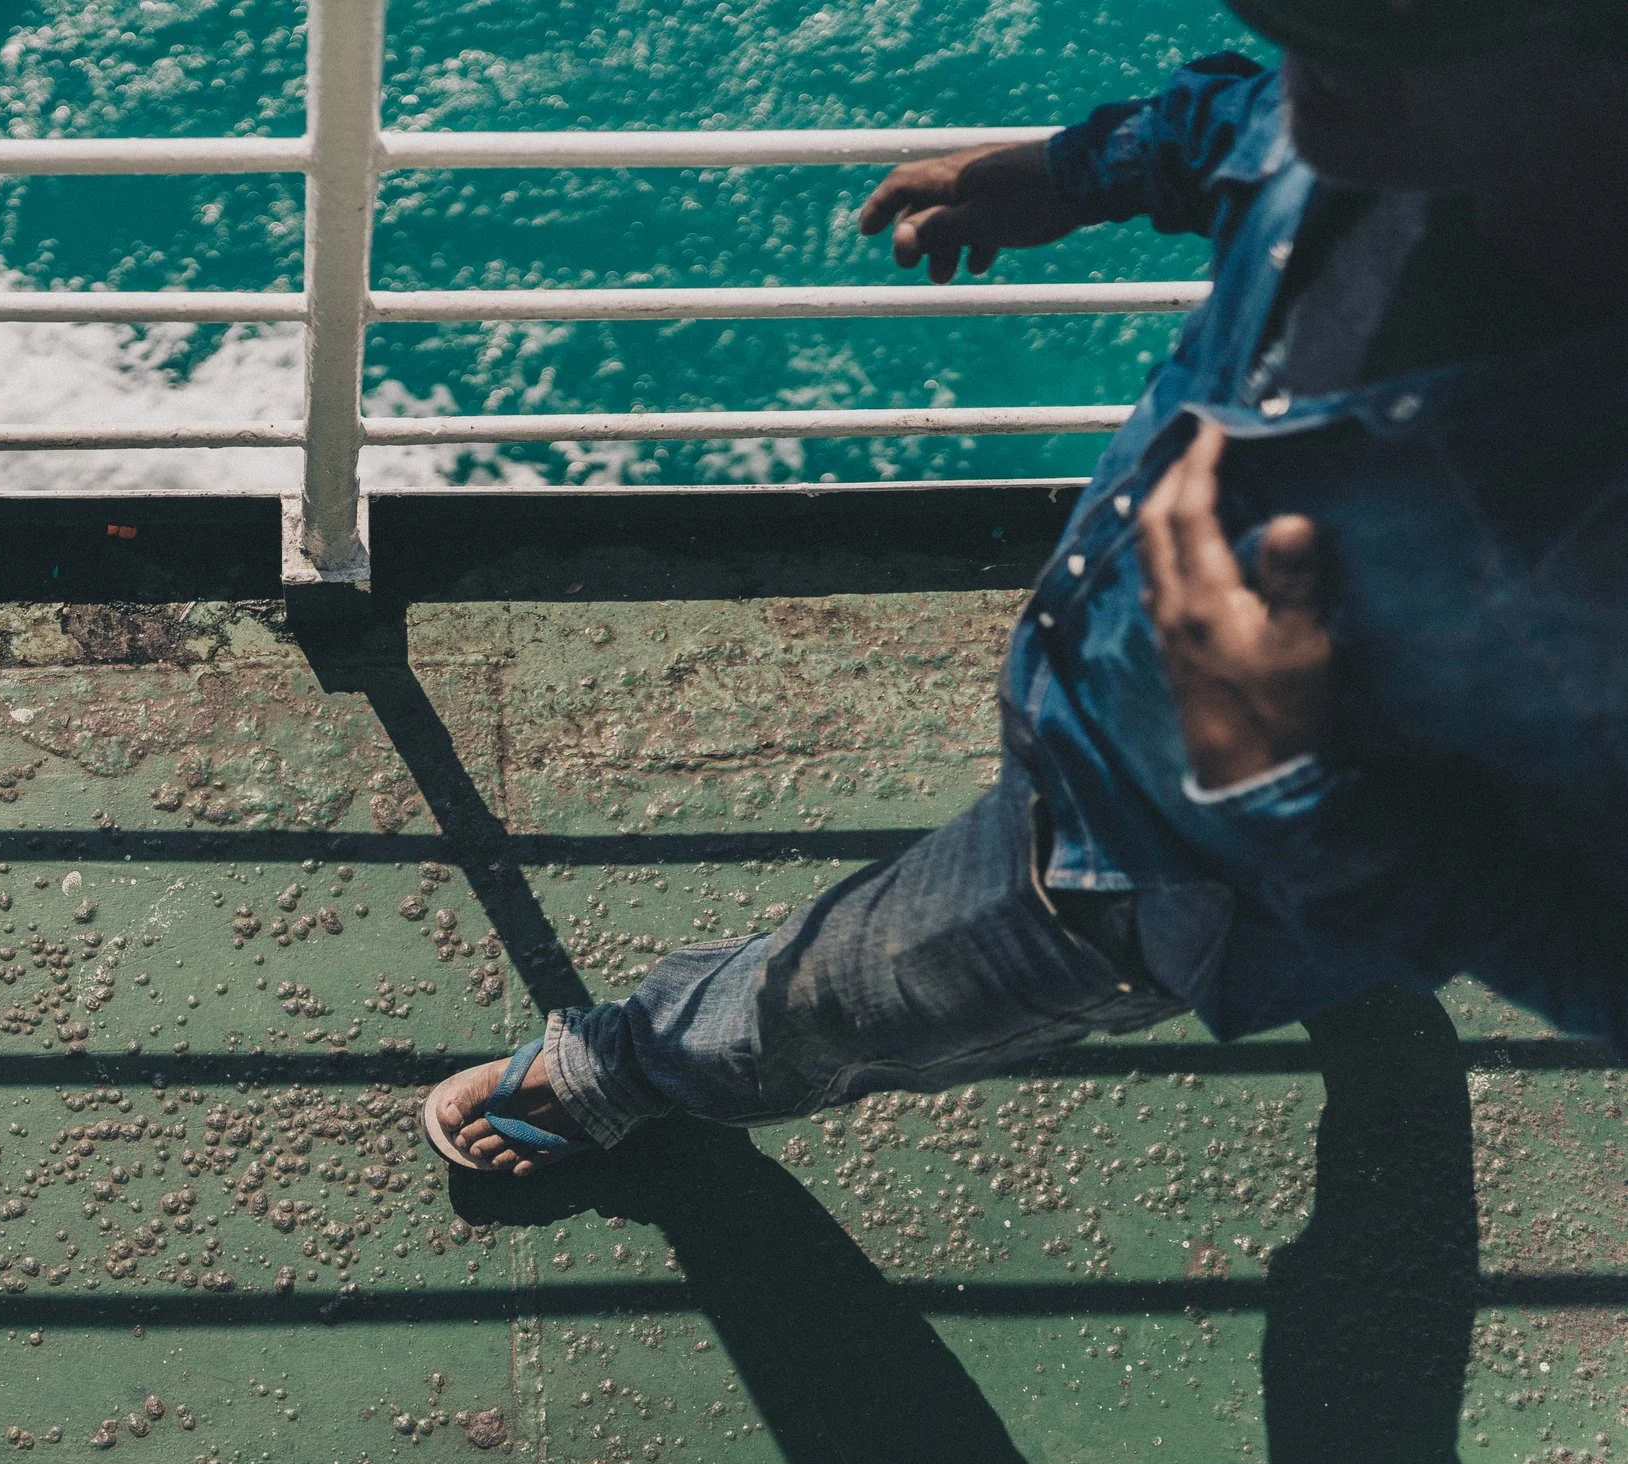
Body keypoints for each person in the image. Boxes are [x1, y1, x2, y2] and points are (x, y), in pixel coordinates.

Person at [427, 0, 1628, 1174]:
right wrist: (1081, 171)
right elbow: (1255, 125)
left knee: (830, 995)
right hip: (1113, 704)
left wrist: (1284, 783)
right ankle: (1351, 945)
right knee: (1368, 920)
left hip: (1139, 865)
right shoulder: (1398, 111)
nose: (1304, 94)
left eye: (1360, 53)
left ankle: (627, 1070)